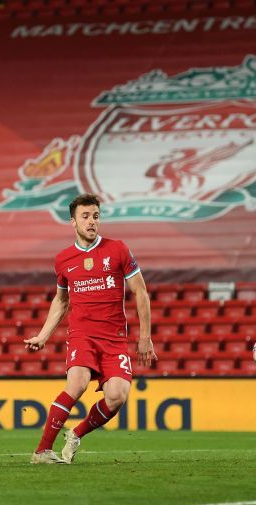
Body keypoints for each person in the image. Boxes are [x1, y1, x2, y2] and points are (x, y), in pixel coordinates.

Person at [24, 194, 157, 464]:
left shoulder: (118, 249)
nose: (91, 221)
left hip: (114, 338)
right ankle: (42, 451)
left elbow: (140, 292)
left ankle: (76, 434)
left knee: (117, 396)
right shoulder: (63, 260)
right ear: (73, 222)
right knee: (78, 383)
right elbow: (61, 301)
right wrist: (43, 335)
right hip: (82, 336)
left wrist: (145, 338)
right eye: (85, 216)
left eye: (95, 216)